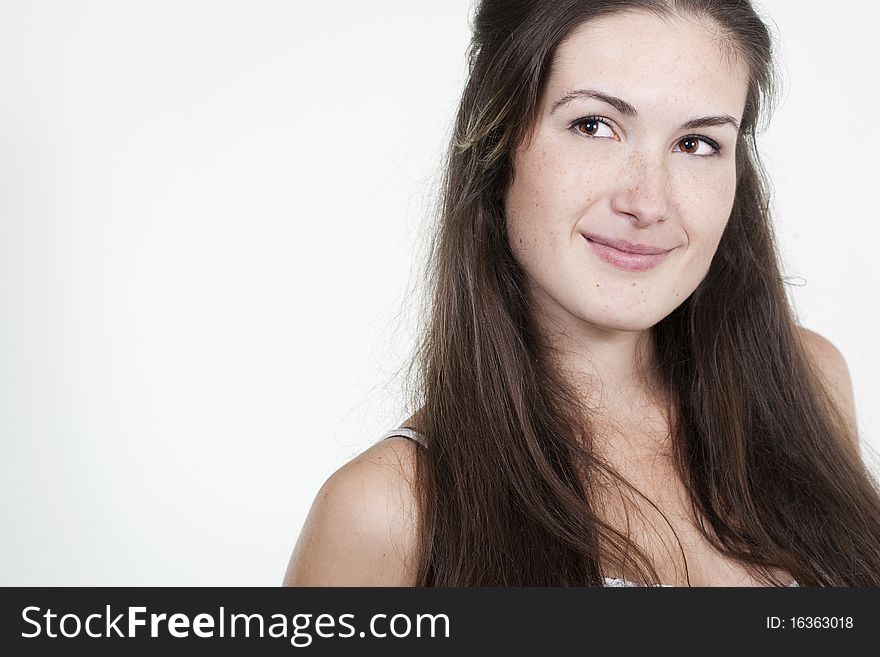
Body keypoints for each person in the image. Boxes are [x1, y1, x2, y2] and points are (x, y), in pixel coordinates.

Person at [284, 0, 880, 587]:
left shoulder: (811, 382)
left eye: (697, 142)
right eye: (593, 126)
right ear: (496, 143)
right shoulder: (388, 514)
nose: (648, 203)